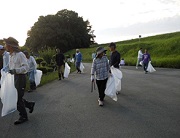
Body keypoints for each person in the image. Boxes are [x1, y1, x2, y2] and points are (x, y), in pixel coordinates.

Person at [4, 37, 35, 125]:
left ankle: (23, 116)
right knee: (17, 97)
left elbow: (26, 67)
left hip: (20, 77)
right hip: (14, 77)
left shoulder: (20, 54)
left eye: (6, 44)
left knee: (17, 98)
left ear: (10, 46)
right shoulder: (11, 55)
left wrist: (16, 70)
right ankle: (29, 105)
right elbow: (10, 67)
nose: (5, 46)